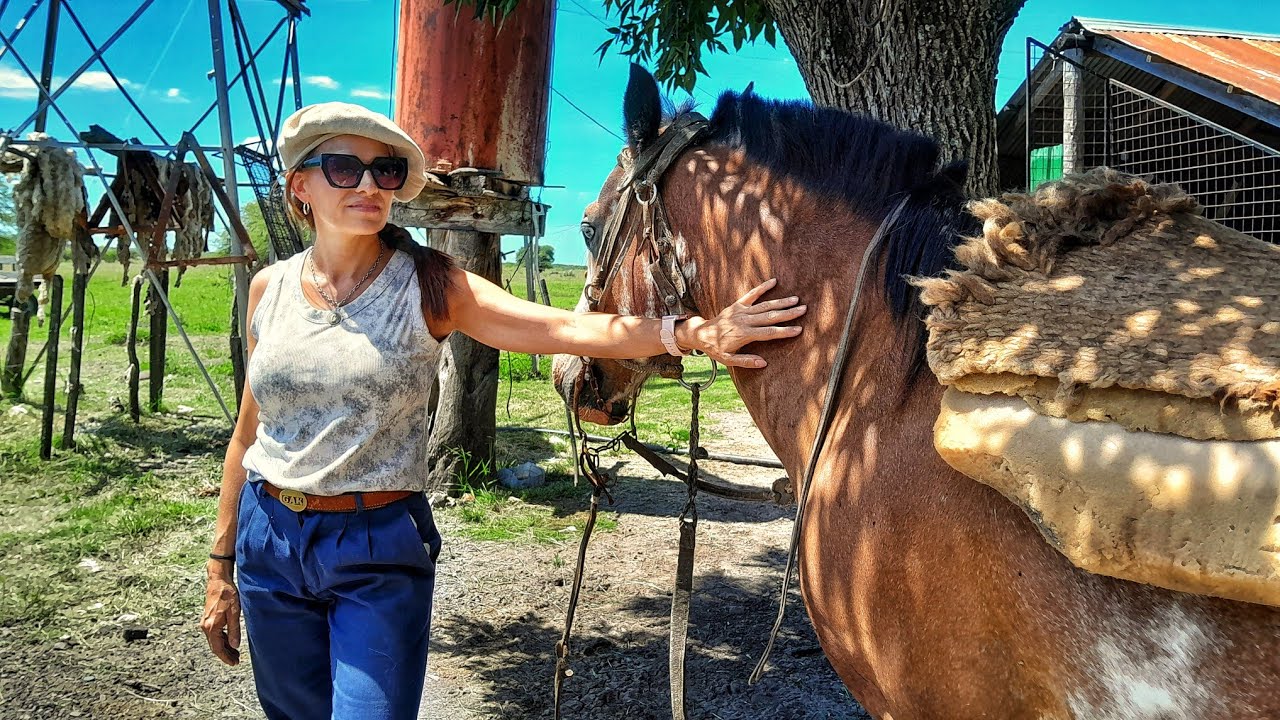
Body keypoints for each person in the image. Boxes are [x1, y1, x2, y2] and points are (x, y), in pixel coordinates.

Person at [199, 102, 806, 720]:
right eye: (344, 168)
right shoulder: (268, 289)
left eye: (384, 172)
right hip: (268, 539)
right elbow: (249, 437)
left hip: (374, 550)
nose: (368, 185)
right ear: (301, 184)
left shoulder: (431, 287)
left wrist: (696, 332)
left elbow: (568, 328)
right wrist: (222, 564)